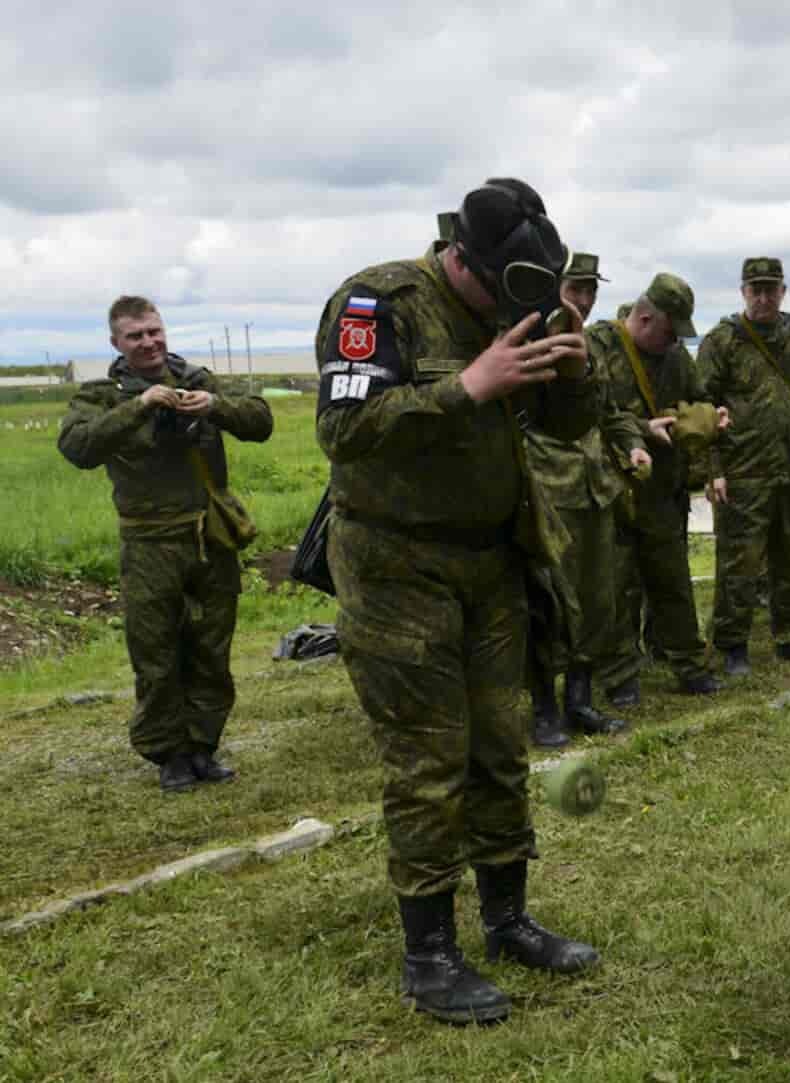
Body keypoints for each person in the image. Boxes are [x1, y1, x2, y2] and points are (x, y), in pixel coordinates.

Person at [315, 178, 601, 1025]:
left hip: (493, 563)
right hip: (397, 570)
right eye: (500, 291)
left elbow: (565, 425)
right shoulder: (380, 303)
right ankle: (430, 954)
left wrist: (572, 370)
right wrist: (468, 384)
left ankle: (507, 920)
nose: (510, 310)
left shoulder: (521, 307)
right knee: (428, 759)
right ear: (462, 260)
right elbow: (343, 430)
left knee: (500, 749)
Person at [58, 296, 273, 792]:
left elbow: (260, 421)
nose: (148, 342)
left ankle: (203, 746)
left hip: (209, 536)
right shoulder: (102, 395)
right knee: (155, 652)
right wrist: (140, 406)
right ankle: (169, 754)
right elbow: (77, 447)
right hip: (149, 541)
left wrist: (214, 406)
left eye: (154, 331)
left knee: (211, 647)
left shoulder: (196, 380)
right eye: (135, 335)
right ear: (116, 342)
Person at [698, 256, 790, 677]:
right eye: (756, 290)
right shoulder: (722, 342)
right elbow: (702, 409)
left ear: (783, 292)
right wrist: (713, 469)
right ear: (744, 292)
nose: (763, 298)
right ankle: (732, 644)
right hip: (744, 470)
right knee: (739, 563)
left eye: (770, 290)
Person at [592, 272, 727, 697]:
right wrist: (641, 428)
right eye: (670, 331)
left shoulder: (675, 356)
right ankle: (620, 677)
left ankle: (690, 666)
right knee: (617, 588)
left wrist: (708, 418)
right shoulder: (599, 346)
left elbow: (699, 396)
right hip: (612, 491)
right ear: (646, 317)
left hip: (663, 492)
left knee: (673, 583)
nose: (674, 341)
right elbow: (587, 415)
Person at [522, 250, 633, 746]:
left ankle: (580, 700)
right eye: (575, 289)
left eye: (591, 290)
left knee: (596, 598)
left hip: (595, 490)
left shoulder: (591, 346)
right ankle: (544, 706)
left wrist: (632, 443)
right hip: (550, 487)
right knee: (552, 602)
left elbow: (609, 411)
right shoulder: (536, 340)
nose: (584, 299)